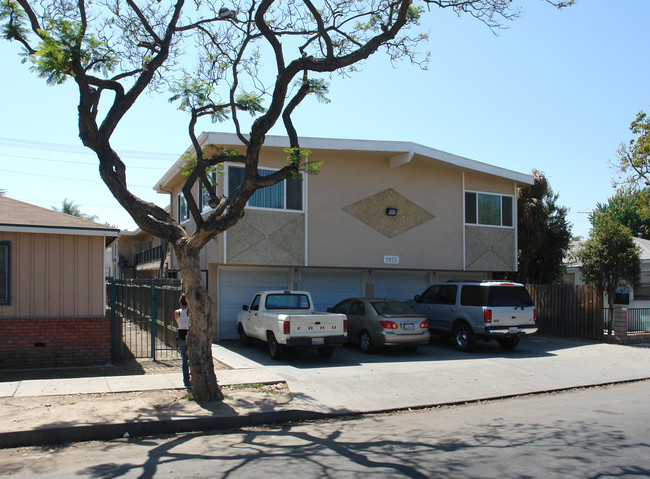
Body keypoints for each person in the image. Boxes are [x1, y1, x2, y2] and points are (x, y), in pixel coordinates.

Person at [174, 293, 191, 389]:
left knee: (184, 360)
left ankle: (186, 381)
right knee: (192, 359)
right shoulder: (189, 311)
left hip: (180, 337)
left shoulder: (177, 312)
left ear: (180, 302)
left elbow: (178, 322)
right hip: (189, 337)